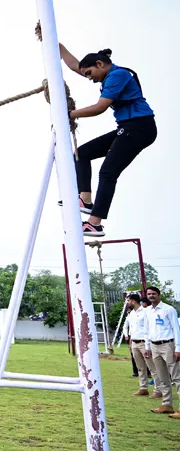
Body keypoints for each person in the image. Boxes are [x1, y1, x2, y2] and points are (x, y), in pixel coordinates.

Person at [37, 26, 157, 237]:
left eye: (90, 73)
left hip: (139, 127)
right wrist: (51, 41)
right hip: (128, 128)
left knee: (108, 172)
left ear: (100, 64)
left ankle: (95, 223)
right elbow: (75, 65)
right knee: (82, 153)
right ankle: (85, 199)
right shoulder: (105, 73)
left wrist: (68, 114)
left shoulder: (117, 75)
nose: (90, 79)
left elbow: (100, 107)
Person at [143, 286, 180, 417]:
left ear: (159, 295)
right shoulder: (147, 311)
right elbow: (147, 330)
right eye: (149, 294)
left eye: (153, 294)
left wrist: (178, 349)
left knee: (176, 377)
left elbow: (176, 329)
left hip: (168, 345)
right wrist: (147, 347)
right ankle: (167, 405)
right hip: (154, 346)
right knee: (162, 377)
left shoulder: (168, 309)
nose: (151, 296)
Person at [124, 293, 157, 398]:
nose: (127, 303)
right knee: (140, 367)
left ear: (133, 301)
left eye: (128, 300)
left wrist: (148, 344)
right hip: (135, 343)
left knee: (152, 367)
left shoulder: (146, 312)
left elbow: (150, 327)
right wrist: (131, 342)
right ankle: (143, 388)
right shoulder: (131, 314)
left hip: (144, 342)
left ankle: (158, 389)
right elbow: (130, 328)